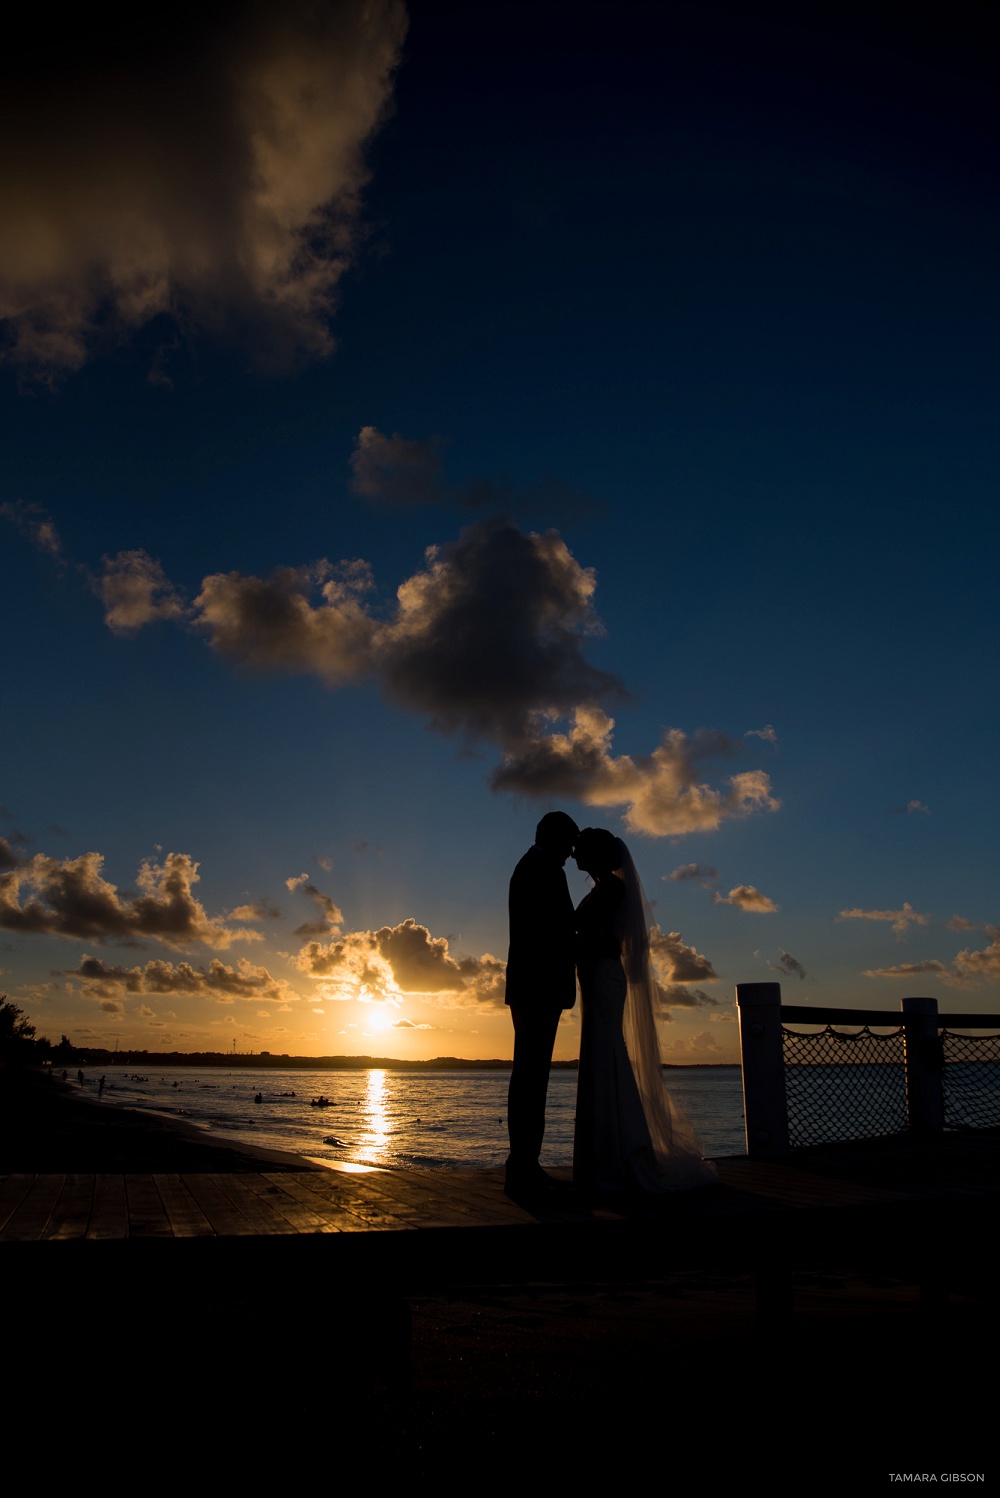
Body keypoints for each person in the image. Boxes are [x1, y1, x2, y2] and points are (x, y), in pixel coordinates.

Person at [572, 826, 716, 1195]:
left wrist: (573, 940)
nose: (574, 854)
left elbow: (604, 939)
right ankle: (606, 1155)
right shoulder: (602, 890)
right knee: (600, 1056)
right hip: (595, 976)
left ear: (597, 855)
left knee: (608, 1055)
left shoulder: (612, 889)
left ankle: (624, 1152)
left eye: (580, 849)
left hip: (603, 975)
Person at [504, 810, 580, 1197]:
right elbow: (556, 930)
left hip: (531, 987)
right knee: (532, 1075)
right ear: (552, 838)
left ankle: (523, 1164)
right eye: (568, 843)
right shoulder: (542, 869)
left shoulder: (534, 866)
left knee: (532, 1075)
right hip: (537, 987)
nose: (570, 853)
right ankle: (522, 1167)